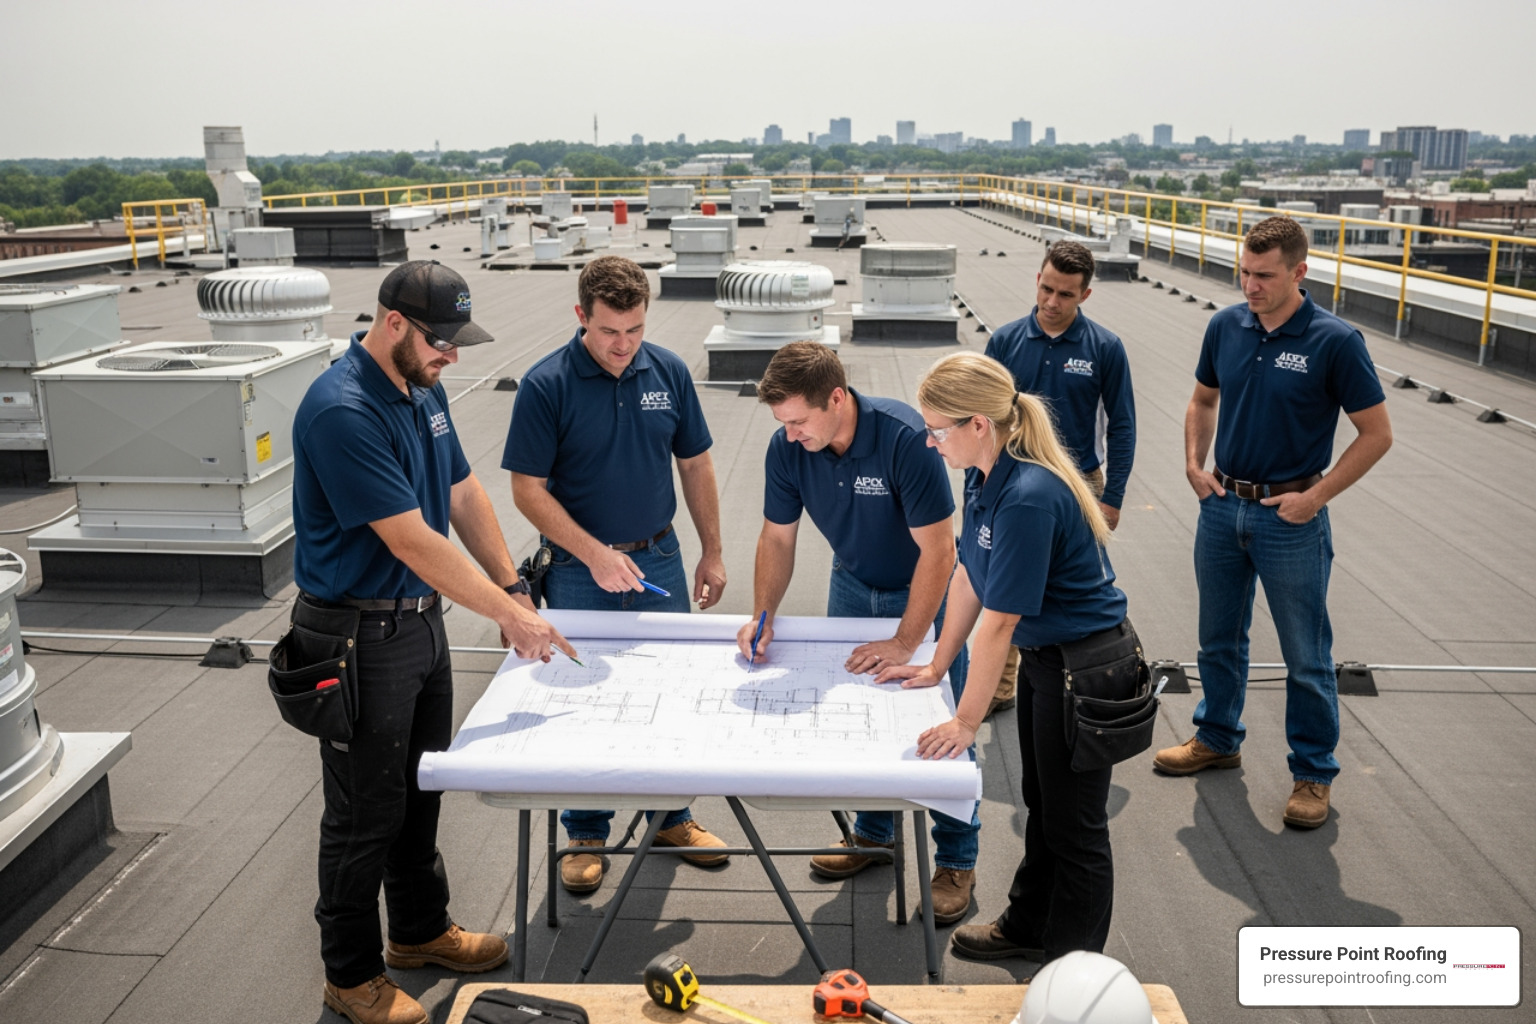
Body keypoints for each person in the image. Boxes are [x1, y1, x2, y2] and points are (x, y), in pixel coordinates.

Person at [292, 260, 575, 1024]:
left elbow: (461, 492)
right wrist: (513, 618)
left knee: (417, 795)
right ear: (392, 325)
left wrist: (513, 588)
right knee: (360, 817)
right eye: (440, 342)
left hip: (417, 625)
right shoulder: (341, 410)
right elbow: (413, 540)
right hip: (358, 635)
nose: (452, 356)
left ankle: (417, 934)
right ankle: (349, 977)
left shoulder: (424, 389)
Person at [875, 351, 1134, 966]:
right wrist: (937, 665)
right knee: (1043, 807)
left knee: (1075, 829)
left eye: (938, 430)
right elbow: (969, 573)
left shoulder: (1027, 495)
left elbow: (999, 623)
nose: (931, 443)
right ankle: (1029, 924)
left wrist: (965, 721)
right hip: (1051, 663)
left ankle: (1075, 970)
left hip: (1085, 669)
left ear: (979, 425)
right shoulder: (984, 473)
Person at [1153, 215, 1392, 829]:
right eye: (1244, 272)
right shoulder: (1225, 326)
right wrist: (1192, 465)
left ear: (1299, 272)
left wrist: (1316, 499)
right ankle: (1217, 738)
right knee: (1218, 639)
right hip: (1222, 507)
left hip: (1291, 516)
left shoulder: (1335, 341)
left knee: (1306, 655)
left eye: (1264, 276)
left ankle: (1312, 774)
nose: (1250, 286)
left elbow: (1377, 434)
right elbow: (1203, 398)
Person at [504, 254, 730, 892]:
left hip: (659, 556)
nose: (623, 346)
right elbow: (527, 490)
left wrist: (711, 550)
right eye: (609, 332)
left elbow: (695, 465)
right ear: (581, 316)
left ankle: (672, 816)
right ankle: (585, 830)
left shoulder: (669, 371)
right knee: (586, 702)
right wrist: (596, 553)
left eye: (634, 330)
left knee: (672, 690)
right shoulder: (546, 385)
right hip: (578, 571)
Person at [735, 341, 979, 924]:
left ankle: (955, 860)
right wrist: (763, 614)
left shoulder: (903, 439)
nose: (790, 434)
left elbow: (939, 552)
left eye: (798, 420)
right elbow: (777, 537)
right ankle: (873, 837)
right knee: (859, 719)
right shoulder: (788, 448)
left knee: (937, 729)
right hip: (852, 585)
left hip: (927, 591)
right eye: (782, 423)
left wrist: (904, 641)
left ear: (837, 398)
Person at [984, 240, 1136, 720]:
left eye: (1065, 295)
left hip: (1078, 486)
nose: (1051, 302)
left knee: (1076, 587)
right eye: (1046, 289)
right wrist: (979, 486)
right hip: (1012, 478)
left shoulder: (1105, 348)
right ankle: (999, 687)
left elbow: (1122, 424)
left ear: (1085, 296)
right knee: (1002, 583)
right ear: (1037, 279)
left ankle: (1080, 679)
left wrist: (1111, 496)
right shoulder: (1005, 342)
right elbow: (981, 420)